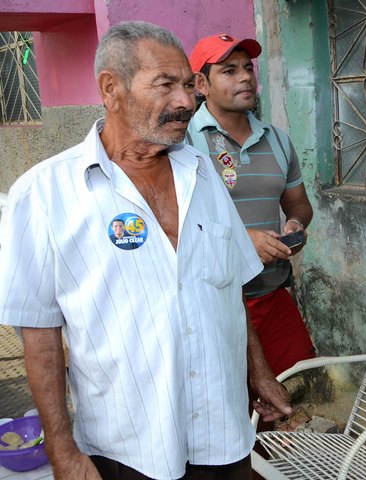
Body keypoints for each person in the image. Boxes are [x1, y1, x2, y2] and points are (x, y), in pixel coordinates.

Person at [0, 21, 291, 480]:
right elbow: (39, 335)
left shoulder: (202, 172)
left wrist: (258, 372)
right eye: (165, 85)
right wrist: (62, 450)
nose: (185, 101)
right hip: (130, 448)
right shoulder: (43, 194)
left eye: (188, 85)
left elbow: (227, 284)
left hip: (224, 433)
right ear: (111, 89)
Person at [186, 35, 316, 390]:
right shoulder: (184, 144)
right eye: (229, 70)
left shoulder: (276, 139)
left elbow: (299, 203)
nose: (245, 77)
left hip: (271, 294)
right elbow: (171, 222)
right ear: (201, 84)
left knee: (296, 389)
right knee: (230, 403)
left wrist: (296, 223)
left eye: (247, 68)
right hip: (212, 302)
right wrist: (242, 242)